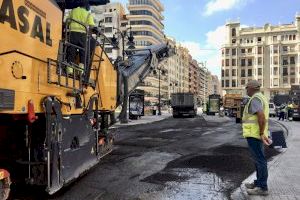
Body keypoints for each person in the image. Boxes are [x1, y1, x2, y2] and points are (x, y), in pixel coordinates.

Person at [242, 80, 272, 196]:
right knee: (258, 159)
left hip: (255, 134)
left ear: (251, 88)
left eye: (247, 88)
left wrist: (260, 132)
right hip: (256, 134)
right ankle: (258, 182)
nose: (246, 90)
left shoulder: (255, 99)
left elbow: (261, 116)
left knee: (260, 160)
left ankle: (262, 187)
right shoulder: (261, 97)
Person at [67, 0, 95, 74]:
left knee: (71, 50)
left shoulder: (73, 11)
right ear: (86, 6)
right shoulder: (88, 14)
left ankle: (70, 69)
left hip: (72, 33)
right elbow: (92, 25)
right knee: (83, 52)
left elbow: (67, 20)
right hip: (82, 35)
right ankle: (81, 71)